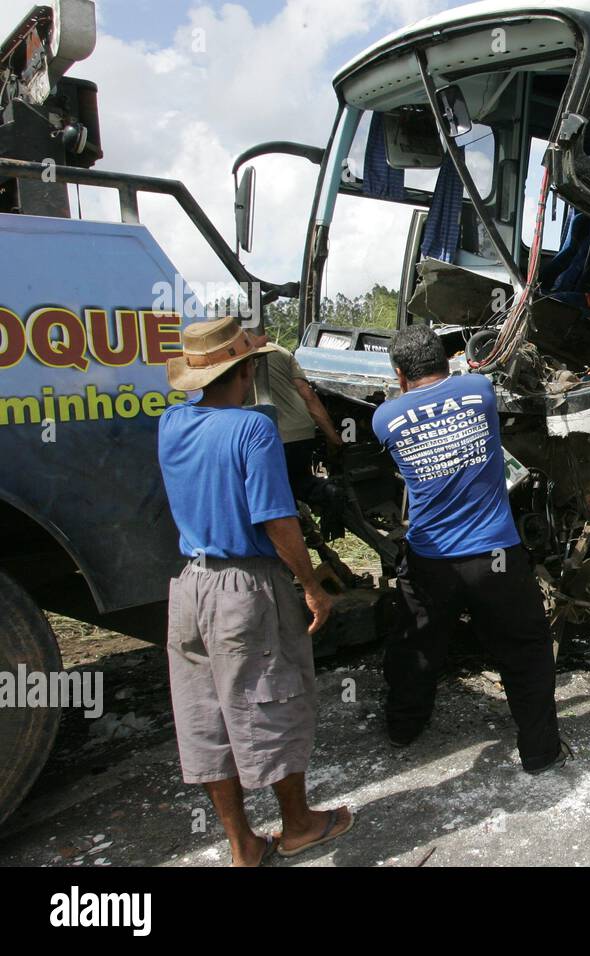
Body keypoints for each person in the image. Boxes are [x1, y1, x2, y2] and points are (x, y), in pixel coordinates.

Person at [158, 316, 352, 866]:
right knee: (273, 697)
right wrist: (311, 585)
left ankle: (243, 844)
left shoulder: (171, 424)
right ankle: (297, 825)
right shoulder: (253, 429)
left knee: (206, 716)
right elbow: (276, 519)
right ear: (244, 370)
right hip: (245, 586)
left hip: (190, 586)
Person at [372, 324, 568, 773]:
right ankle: (540, 752)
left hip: (431, 561)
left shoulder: (385, 419)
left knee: (416, 647)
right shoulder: (478, 390)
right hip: (495, 556)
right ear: (447, 361)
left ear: (400, 375)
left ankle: (404, 728)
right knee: (524, 652)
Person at [249, 333, 343, 504]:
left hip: (271, 434)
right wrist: (333, 436)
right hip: (301, 429)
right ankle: (325, 492)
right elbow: (308, 395)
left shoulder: (236, 358)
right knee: (300, 481)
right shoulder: (281, 352)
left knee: (277, 490)